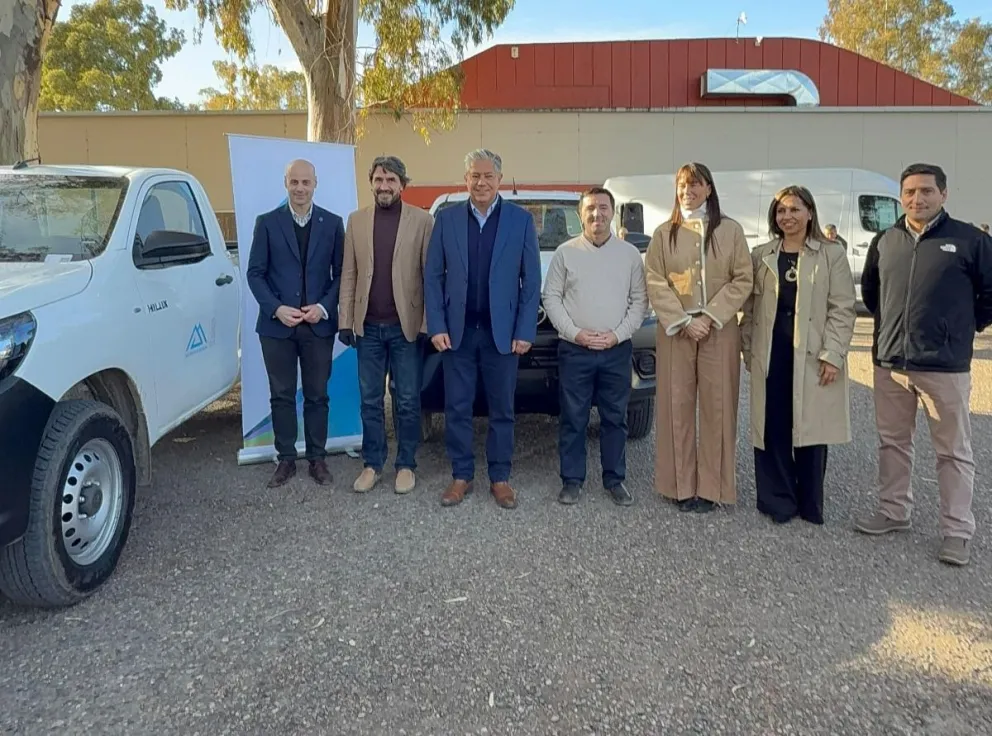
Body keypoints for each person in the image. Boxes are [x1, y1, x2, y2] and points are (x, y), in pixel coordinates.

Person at [855, 163, 992, 566]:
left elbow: (989, 296)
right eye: (910, 192)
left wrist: (960, 330)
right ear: (902, 197)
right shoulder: (885, 240)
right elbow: (873, 293)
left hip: (944, 366)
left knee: (953, 451)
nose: (918, 199)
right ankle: (894, 511)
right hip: (890, 362)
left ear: (943, 194)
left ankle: (956, 531)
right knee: (893, 443)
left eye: (927, 191)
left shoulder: (970, 240)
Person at [424, 148, 541, 510]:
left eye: (488, 176)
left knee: (502, 408)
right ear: (466, 179)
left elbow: (531, 280)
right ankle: (461, 475)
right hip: (458, 332)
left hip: (501, 334)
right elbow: (433, 276)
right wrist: (436, 325)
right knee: (457, 407)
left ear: (499, 179)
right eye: (475, 175)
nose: (481, 182)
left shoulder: (521, 221)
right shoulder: (447, 219)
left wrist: (525, 330)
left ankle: (500, 477)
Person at [740, 186, 856, 525]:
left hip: (812, 354)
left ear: (810, 212)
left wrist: (833, 354)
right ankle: (777, 501)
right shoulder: (762, 255)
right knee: (772, 426)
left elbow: (842, 308)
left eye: (794, 209)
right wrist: (748, 349)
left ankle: (809, 502)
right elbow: (750, 308)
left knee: (810, 429)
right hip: (771, 352)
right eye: (781, 211)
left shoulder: (831, 254)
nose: (787, 216)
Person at [644, 162, 753, 513]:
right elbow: (655, 280)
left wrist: (710, 316)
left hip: (718, 330)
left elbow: (743, 279)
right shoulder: (664, 233)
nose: (687, 191)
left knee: (717, 407)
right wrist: (682, 320)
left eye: (694, 185)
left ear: (708, 189)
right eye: (681, 185)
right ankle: (679, 485)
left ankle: (712, 488)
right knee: (675, 406)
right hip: (676, 330)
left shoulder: (730, 231)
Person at [542, 187, 649, 506]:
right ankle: (572, 480)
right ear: (580, 215)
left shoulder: (629, 254)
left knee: (615, 417)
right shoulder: (565, 253)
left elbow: (640, 301)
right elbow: (551, 297)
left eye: (603, 207)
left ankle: (615, 479)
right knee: (573, 418)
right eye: (590, 208)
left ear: (613, 212)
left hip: (616, 349)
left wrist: (618, 335)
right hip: (576, 350)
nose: (597, 214)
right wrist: (575, 333)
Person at [246, 159, 345, 488]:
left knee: (317, 395)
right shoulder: (267, 223)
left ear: (315, 184)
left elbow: (342, 274)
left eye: (306, 182)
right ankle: (286, 459)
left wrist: (323, 307)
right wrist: (276, 309)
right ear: (285, 183)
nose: (300, 188)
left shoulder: (332, 224)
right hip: (277, 327)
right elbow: (255, 274)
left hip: (318, 326)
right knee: (282, 395)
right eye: (294, 182)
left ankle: (317, 459)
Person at [338, 156, 434, 495]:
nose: (384, 186)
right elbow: (349, 273)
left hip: (406, 327)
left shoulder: (423, 221)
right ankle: (372, 464)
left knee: (406, 400)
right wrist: (346, 320)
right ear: (371, 183)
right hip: (368, 328)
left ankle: (406, 464)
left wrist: (427, 323)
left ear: (402, 185)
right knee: (370, 400)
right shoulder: (356, 221)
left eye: (391, 180)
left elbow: (430, 276)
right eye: (379, 179)